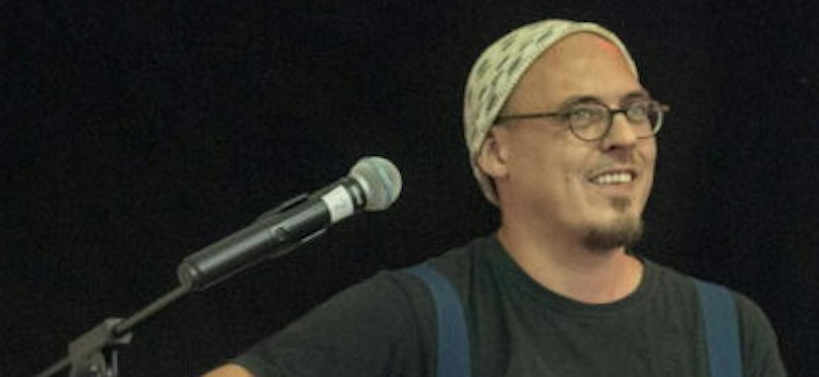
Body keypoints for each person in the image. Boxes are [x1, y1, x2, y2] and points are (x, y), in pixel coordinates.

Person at [204, 19, 787, 377]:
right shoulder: (416, 316)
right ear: (495, 151)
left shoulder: (730, 331)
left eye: (637, 111)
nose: (624, 137)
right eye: (583, 114)